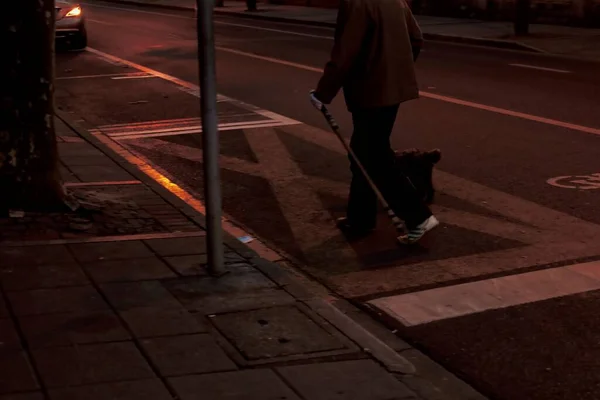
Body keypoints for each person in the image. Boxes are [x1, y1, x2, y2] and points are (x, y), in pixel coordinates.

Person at [309, 0, 438, 244]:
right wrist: (394, 69)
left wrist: (322, 93)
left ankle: (417, 216)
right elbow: (416, 39)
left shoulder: (357, 4)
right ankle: (360, 219)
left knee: (373, 156)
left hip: (370, 91)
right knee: (364, 152)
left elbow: (345, 54)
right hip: (392, 89)